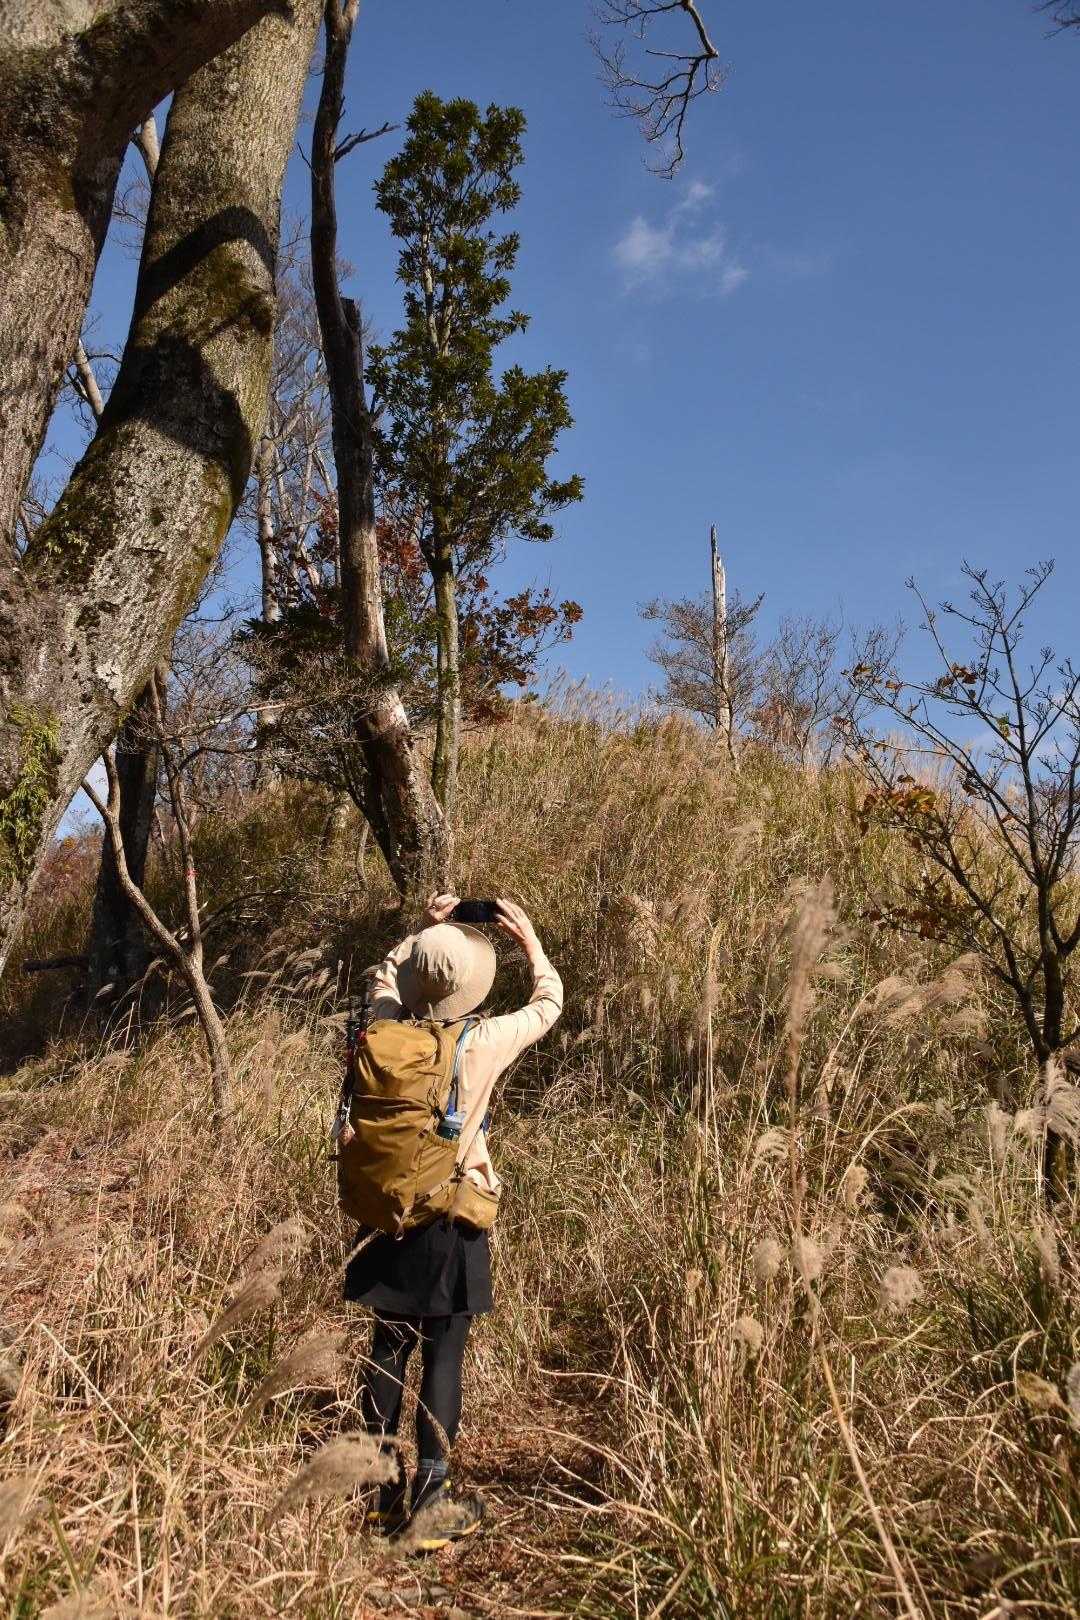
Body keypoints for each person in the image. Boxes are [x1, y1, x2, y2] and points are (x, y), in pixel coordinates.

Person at [345, 892, 563, 1548]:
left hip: (389, 1213)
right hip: (450, 1219)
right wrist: (530, 942)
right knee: (444, 1356)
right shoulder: (481, 1043)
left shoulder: (383, 1026)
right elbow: (548, 1004)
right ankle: (431, 1505)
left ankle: (381, 1496)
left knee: (388, 1349)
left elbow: (386, 974)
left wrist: (425, 933)